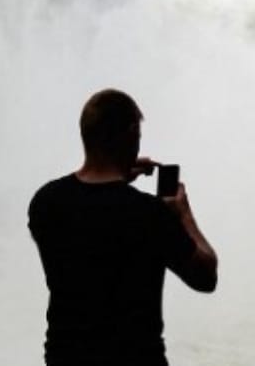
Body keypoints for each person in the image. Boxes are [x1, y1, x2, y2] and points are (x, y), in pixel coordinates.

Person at [28, 88, 218, 366]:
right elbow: (205, 277)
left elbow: (90, 214)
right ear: (131, 134)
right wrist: (184, 216)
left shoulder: (45, 202)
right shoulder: (149, 214)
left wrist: (117, 177)